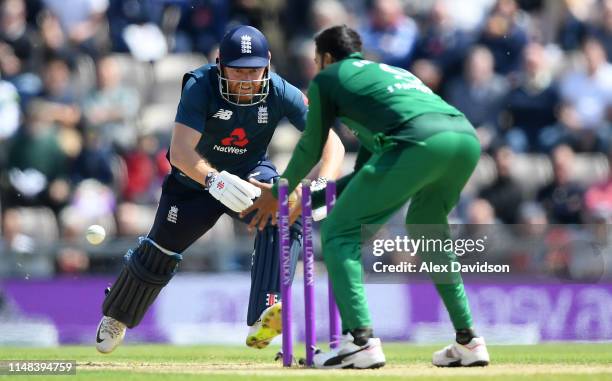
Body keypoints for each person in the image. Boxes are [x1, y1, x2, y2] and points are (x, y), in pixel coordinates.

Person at [245, 25, 490, 369]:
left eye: (317, 62)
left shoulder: (328, 79)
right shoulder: (387, 77)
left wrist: (279, 191)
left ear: (326, 58)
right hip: (464, 138)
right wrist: (309, 198)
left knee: (338, 233)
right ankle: (469, 341)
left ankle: (360, 342)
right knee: (427, 230)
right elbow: (362, 175)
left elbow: (310, 145)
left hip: (418, 140)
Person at [95, 25, 344, 354]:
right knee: (160, 252)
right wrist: (213, 179)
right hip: (194, 183)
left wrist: (321, 186)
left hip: (250, 174)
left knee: (286, 211)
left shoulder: (281, 91)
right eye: (238, 71)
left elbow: (332, 144)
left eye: (254, 70)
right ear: (219, 64)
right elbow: (182, 153)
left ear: (268, 62)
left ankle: (266, 312)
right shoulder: (201, 86)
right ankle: (118, 314)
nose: (246, 80)